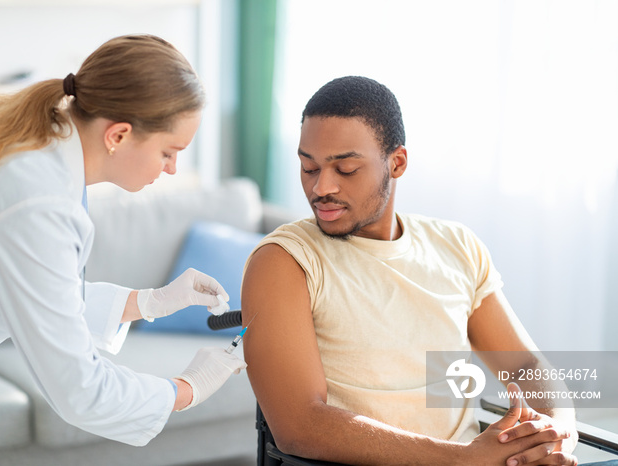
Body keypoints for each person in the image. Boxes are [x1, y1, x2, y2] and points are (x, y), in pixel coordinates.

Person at [241, 76, 616, 465]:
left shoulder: (456, 246)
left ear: (397, 162)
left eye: (346, 169)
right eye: (309, 167)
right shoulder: (284, 261)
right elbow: (300, 426)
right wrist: (464, 460)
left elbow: (525, 365)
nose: (322, 188)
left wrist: (556, 432)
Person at [0, 34, 246, 464]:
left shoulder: (41, 149)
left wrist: (149, 302)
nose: (173, 169)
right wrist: (189, 387)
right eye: (169, 151)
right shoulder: (37, 199)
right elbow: (80, 391)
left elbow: (34, 293)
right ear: (119, 135)